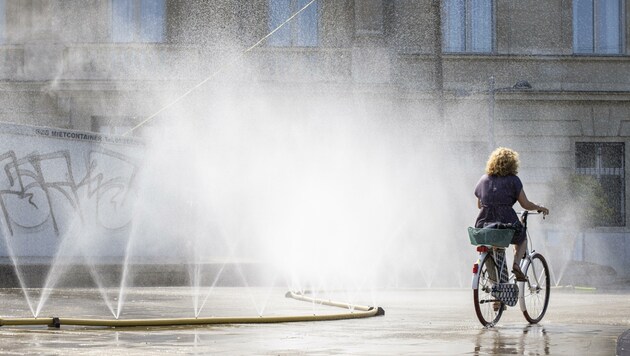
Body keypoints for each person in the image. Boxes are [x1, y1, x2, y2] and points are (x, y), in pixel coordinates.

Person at [474, 147, 549, 281]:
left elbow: (479, 205)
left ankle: (496, 293)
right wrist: (539, 207)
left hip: (483, 224)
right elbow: (525, 204)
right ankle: (516, 264)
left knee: (489, 250)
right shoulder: (513, 180)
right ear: (512, 163)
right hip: (505, 222)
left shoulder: (483, 179)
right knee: (521, 238)